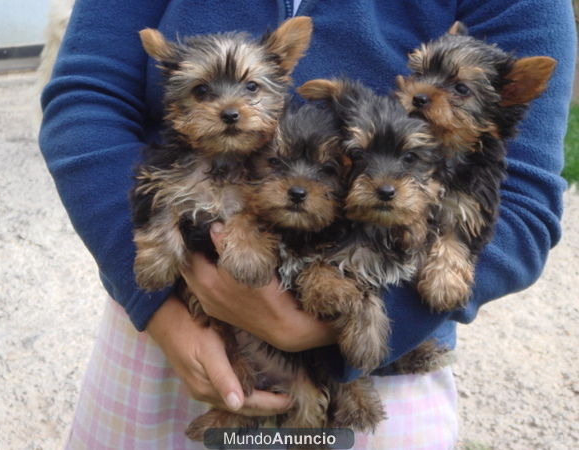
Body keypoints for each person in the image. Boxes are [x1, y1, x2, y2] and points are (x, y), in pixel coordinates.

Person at [39, 0, 576, 448]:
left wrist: (367, 317)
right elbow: (86, 100)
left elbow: (522, 199)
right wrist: (153, 303)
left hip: (376, 352)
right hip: (172, 334)